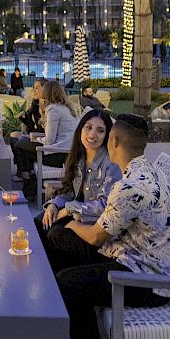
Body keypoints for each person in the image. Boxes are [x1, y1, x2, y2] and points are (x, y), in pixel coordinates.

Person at [50, 114, 169, 339]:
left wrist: (73, 223)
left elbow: (96, 237)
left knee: (67, 282)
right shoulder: (149, 171)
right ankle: (63, 321)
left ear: (112, 141)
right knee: (59, 240)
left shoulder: (129, 187)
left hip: (148, 279)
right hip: (132, 252)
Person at [35, 109, 122, 269]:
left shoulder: (111, 164)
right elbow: (69, 192)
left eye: (100, 130)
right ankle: (48, 273)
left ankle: (60, 276)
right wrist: (54, 204)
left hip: (97, 228)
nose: (92, 134)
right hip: (79, 215)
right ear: (81, 129)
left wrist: (68, 210)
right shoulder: (79, 156)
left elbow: (105, 206)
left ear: (107, 135)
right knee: (40, 222)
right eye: (88, 127)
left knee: (55, 234)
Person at [12, 81, 78, 195]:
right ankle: (30, 181)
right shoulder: (66, 108)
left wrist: (35, 139)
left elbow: (49, 140)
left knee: (20, 145)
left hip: (59, 156)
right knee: (22, 146)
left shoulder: (53, 109)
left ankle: (29, 182)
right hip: (67, 153)